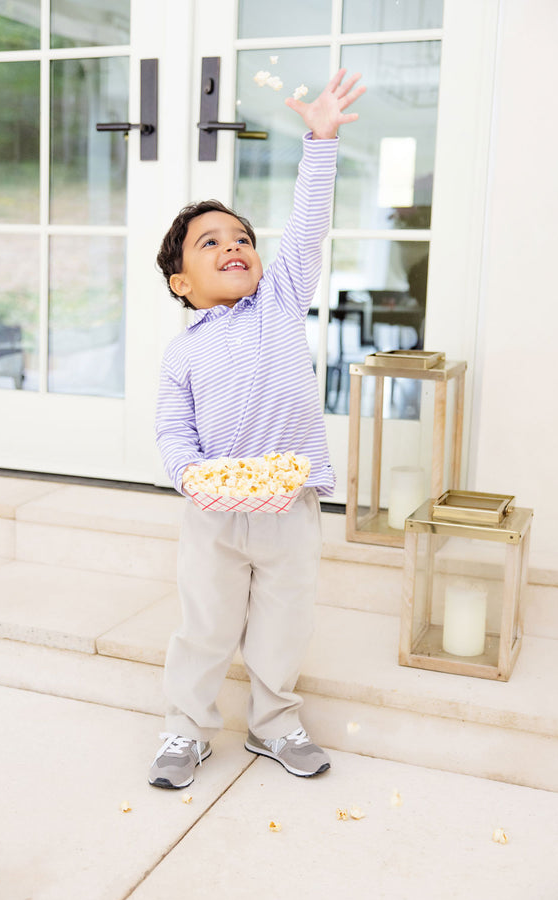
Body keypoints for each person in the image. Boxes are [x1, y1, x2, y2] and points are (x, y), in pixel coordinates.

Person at [150, 70, 366, 789]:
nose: (233, 246)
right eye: (210, 243)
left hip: (290, 506)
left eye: (241, 237)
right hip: (213, 516)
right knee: (204, 627)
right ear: (182, 281)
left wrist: (321, 140)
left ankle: (275, 723)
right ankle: (187, 730)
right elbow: (175, 433)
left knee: (283, 624)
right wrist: (191, 475)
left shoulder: (280, 303)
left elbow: (306, 224)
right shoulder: (183, 352)